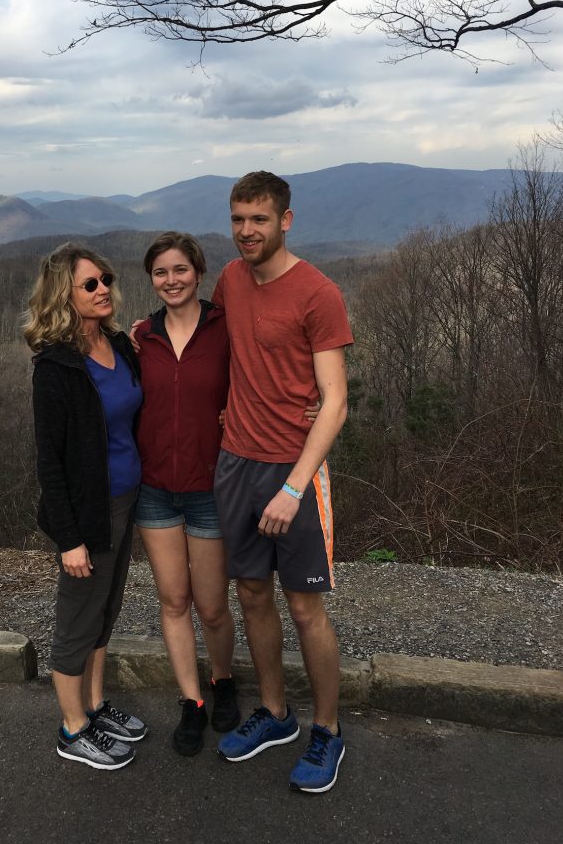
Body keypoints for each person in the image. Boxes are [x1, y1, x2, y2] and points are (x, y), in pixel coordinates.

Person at [211, 171, 353, 794]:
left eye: (259, 219)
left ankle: (327, 729)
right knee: (251, 595)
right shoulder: (229, 280)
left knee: (304, 605)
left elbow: (335, 400)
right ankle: (274, 714)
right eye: (239, 219)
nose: (247, 231)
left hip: (293, 470)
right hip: (236, 461)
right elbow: (214, 343)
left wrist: (295, 486)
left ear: (285, 220)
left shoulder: (318, 293)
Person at [24, 242, 147, 771]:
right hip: (87, 512)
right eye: (90, 284)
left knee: (105, 609)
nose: (104, 290)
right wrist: (69, 539)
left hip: (125, 500)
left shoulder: (119, 344)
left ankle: (94, 707)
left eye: (106, 280)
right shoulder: (56, 367)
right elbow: (49, 462)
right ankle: (72, 728)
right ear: (64, 295)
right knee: (77, 618)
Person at [133, 232, 240, 756]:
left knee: (212, 606)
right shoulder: (140, 339)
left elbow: (265, 379)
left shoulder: (225, 329)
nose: (170, 280)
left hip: (210, 487)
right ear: (150, 280)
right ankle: (191, 701)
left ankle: (223, 679)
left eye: (179, 270)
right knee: (173, 601)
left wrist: (310, 403)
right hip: (154, 489)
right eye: (160, 272)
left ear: (198, 272)